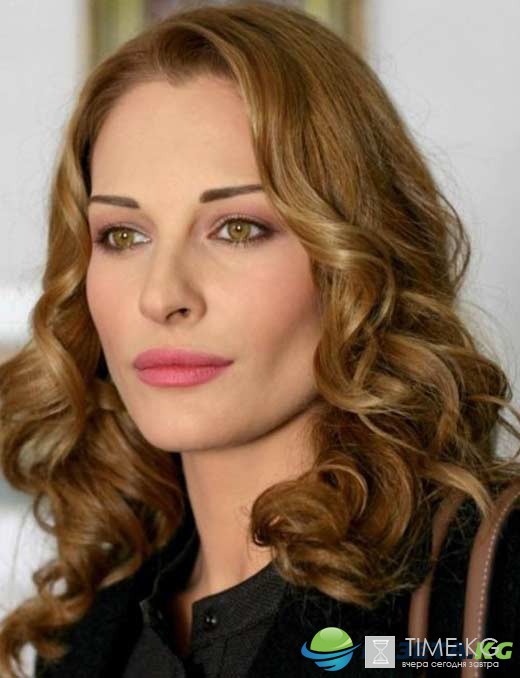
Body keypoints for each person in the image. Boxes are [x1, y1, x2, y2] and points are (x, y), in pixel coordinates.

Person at [1, 1, 519, 676]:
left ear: (354, 258)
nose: (162, 296)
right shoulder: (81, 632)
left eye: (238, 229)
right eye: (123, 236)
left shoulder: (490, 585)